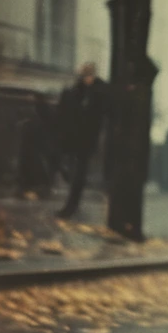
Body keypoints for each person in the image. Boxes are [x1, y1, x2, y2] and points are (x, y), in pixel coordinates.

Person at [55, 62, 110, 219]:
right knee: (75, 173)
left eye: (90, 74)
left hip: (86, 141)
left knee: (78, 175)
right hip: (77, 139)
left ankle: (71, 207)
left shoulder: (98, 91)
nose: (88, 78)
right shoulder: (77, 91)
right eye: (85, 75)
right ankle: (71, 206)